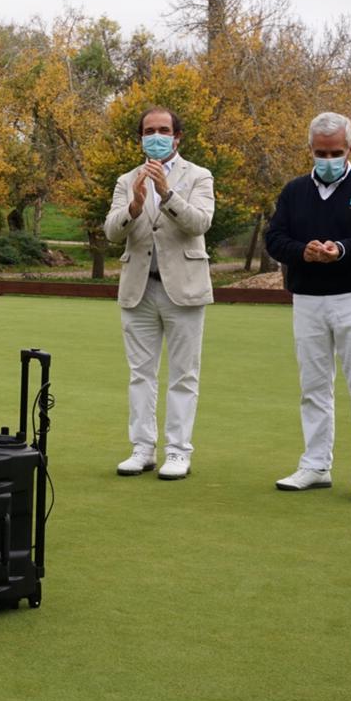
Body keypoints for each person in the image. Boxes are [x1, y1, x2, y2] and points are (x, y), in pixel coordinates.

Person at [265, 112, 351, 502]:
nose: (328, 158)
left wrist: (339, 250)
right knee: (313, 387)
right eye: (321, 152)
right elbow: (276, 239)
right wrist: (302, 252)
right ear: (310, 150)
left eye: (336, 151)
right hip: (308, 300)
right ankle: (316, 465)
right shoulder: (293, 191)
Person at [102, 107, 216, 480]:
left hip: (182, 288)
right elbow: (111, 232)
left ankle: (179, 451)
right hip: (139, 288)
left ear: (177, 137)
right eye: (149, 130)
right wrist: (134, 208)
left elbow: (200, 223)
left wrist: (166, 195)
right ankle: (142, 448)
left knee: (184, 375)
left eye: (164, 130)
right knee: (140, 374)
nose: (156, 136)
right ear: (140, 138)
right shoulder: (127, 179)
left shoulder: (198, 175)